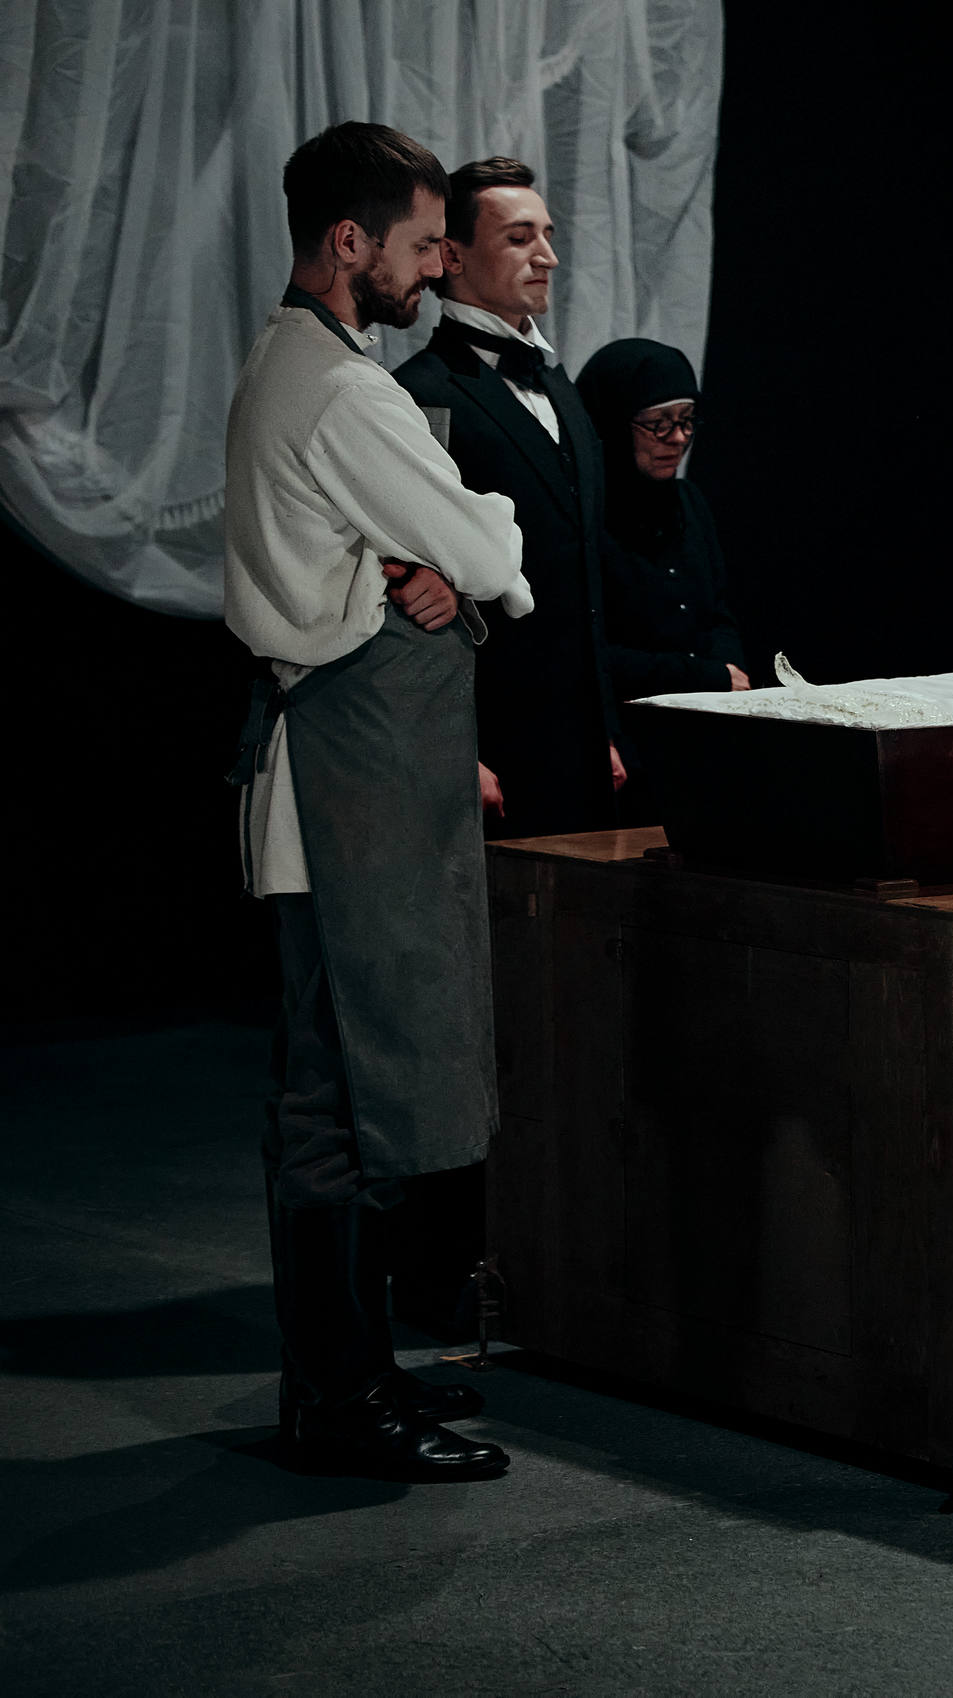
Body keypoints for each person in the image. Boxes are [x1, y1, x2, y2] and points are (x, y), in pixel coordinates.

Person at [223, 121, 523, 1480]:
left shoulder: (287, 362)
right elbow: (486, 544)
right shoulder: (344, 391)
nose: (434, 267)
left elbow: (444, 557)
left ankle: (341, 1382)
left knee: (333, 1096)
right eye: (419, 245)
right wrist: (458, 547)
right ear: (350, 242)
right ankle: (342, 1400)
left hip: (329, 783)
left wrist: (425, 559)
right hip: (341, 787)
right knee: (341, 1103)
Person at [394, 156, 624, 842]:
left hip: (584, 750)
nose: (547, 256)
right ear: (451, 256)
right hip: (488, 750)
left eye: (547, 235)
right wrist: (454, 748)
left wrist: (605, 728)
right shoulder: (417, 393)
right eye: (520, 238)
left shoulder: (561, 387)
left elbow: (585, 577)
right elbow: (405, 593)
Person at [575, 337, 748, 700]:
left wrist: (728, 673)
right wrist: (703, 677)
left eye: (687, 420)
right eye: (659, 424)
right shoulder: (580, 514)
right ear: (612, 424)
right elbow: (584, 650)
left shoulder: (689, 501)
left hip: (709, 708)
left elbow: (719, 616)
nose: (679, 438)